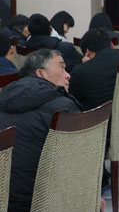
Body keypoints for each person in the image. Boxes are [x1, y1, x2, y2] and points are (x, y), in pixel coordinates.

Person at [0, 49, 81, 212]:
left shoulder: (4, 98)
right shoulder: (62, 107)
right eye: (62, 67)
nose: (68, 75)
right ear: (41, 73)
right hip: (41, 199)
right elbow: (78, 162)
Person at [69, 29, 119, 111]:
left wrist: (85, 66)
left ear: (88, 52)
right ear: (111, 44)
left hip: (101, 118)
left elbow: (72, 100)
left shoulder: (80, 71)